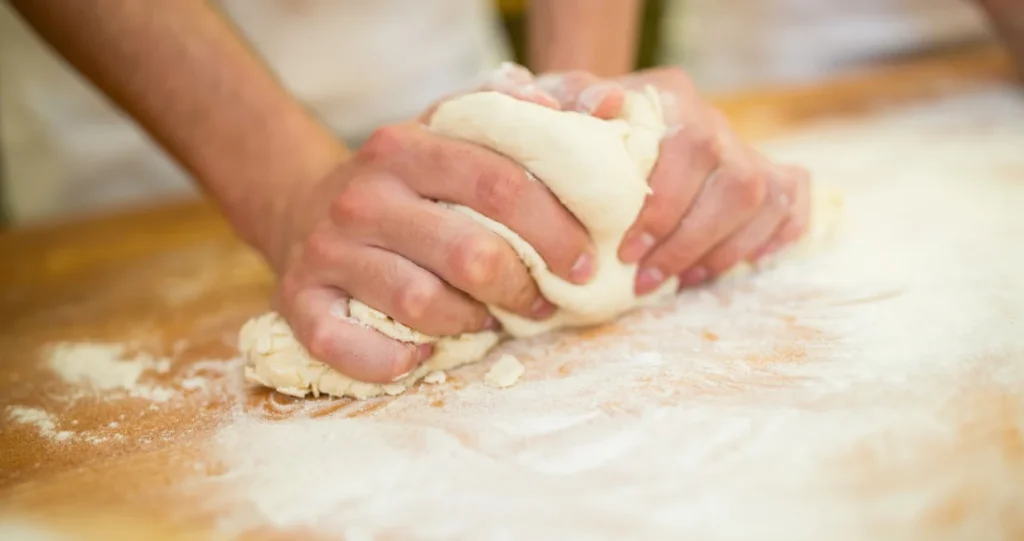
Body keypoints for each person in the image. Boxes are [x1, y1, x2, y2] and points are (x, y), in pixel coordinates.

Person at [2, 1, 1018, 384]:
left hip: (429, 62)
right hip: (139, 145)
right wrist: (283, 188)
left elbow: (569, 132)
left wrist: (582, 115)